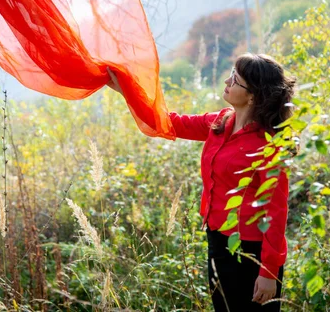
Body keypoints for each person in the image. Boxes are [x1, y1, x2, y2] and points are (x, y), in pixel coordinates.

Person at [107, 53, 296, 311]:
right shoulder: (220, 122)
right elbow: (169, 123)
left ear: (253, 95)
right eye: (231, 73)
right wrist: (128, 91)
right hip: (218, 240)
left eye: (236, 80)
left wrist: (268, 272)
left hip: (252, 250)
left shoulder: (268, 144)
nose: (228, 81)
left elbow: (276, 212)